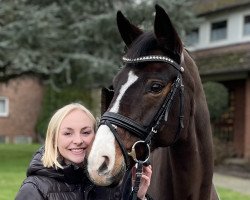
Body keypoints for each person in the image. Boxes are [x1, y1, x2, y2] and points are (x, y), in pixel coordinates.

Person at [15, 102, 152, 200]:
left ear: (97, 136)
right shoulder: (34, 189)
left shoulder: (109, 183)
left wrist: (137, 196)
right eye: (68, 133)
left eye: (86, 132)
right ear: (53, 139)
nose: (78, 140)